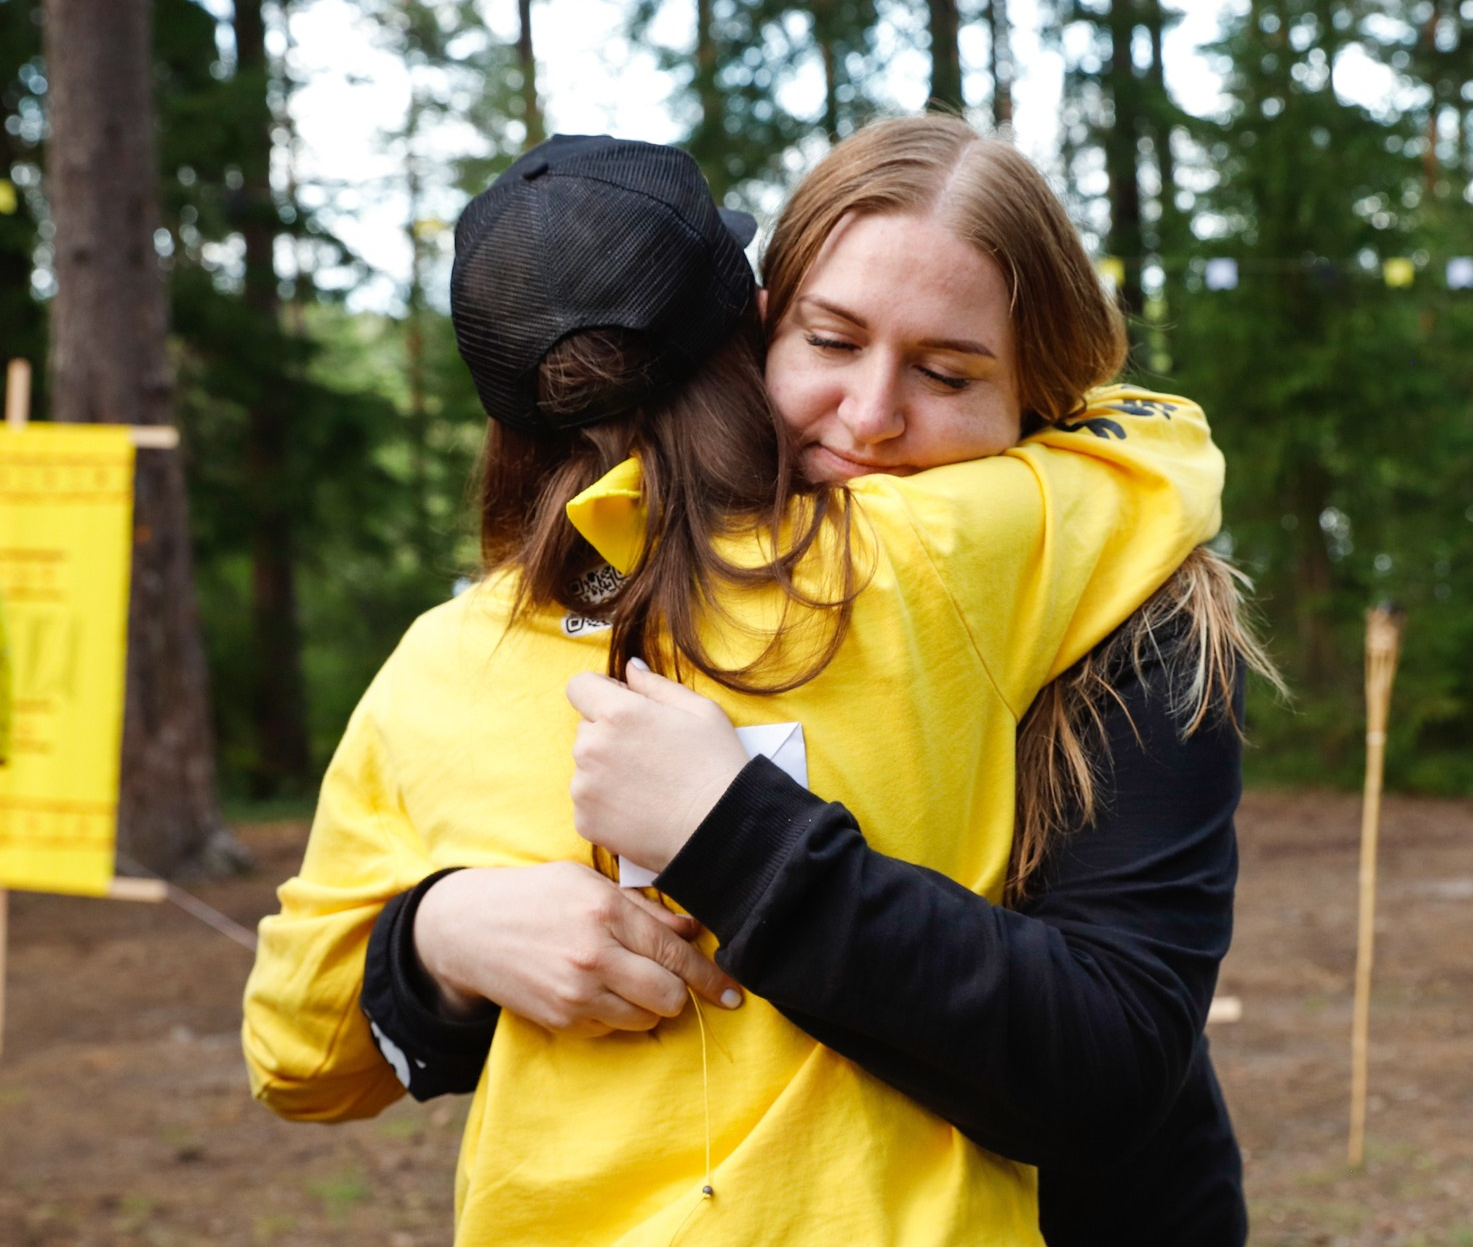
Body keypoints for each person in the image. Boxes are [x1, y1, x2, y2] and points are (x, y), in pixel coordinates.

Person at [241, 128, 1224, 1245]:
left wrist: (733, 833)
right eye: (829, 340)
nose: (868, 418)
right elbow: (1162, 457)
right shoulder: (463, 655)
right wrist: (440, 937)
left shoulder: (1034, 585)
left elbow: (1115, 1051)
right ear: (750, 331)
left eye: (947, 372)